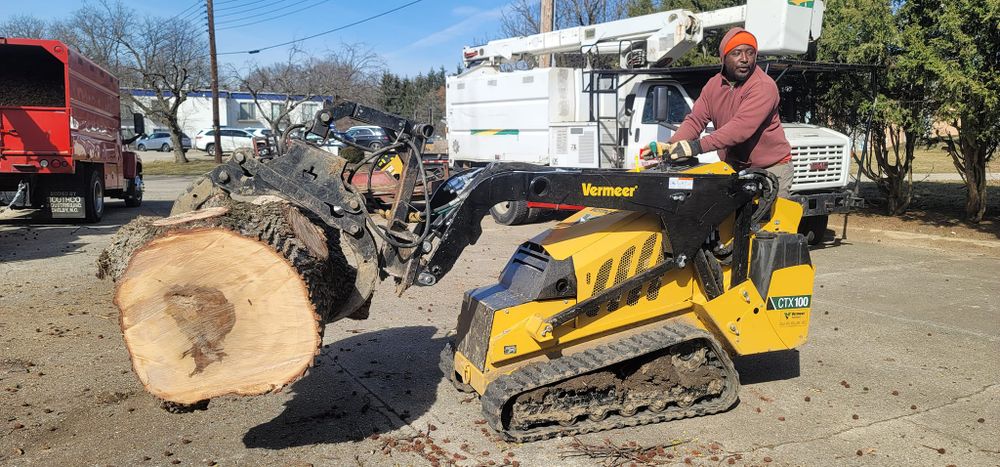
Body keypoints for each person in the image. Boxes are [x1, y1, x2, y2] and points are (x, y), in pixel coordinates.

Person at [641, 27, 793, 197]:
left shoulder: (763, 86)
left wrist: (696, 147)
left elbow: (740, 129)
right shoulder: (714, 85)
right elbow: (695, 120)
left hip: (771, 170)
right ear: (724, 58)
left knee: (766, 223)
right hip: (735, 169)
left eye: (750, 53)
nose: (744, 59)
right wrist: (671, 146)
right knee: (732, 222)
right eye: (737, 53)